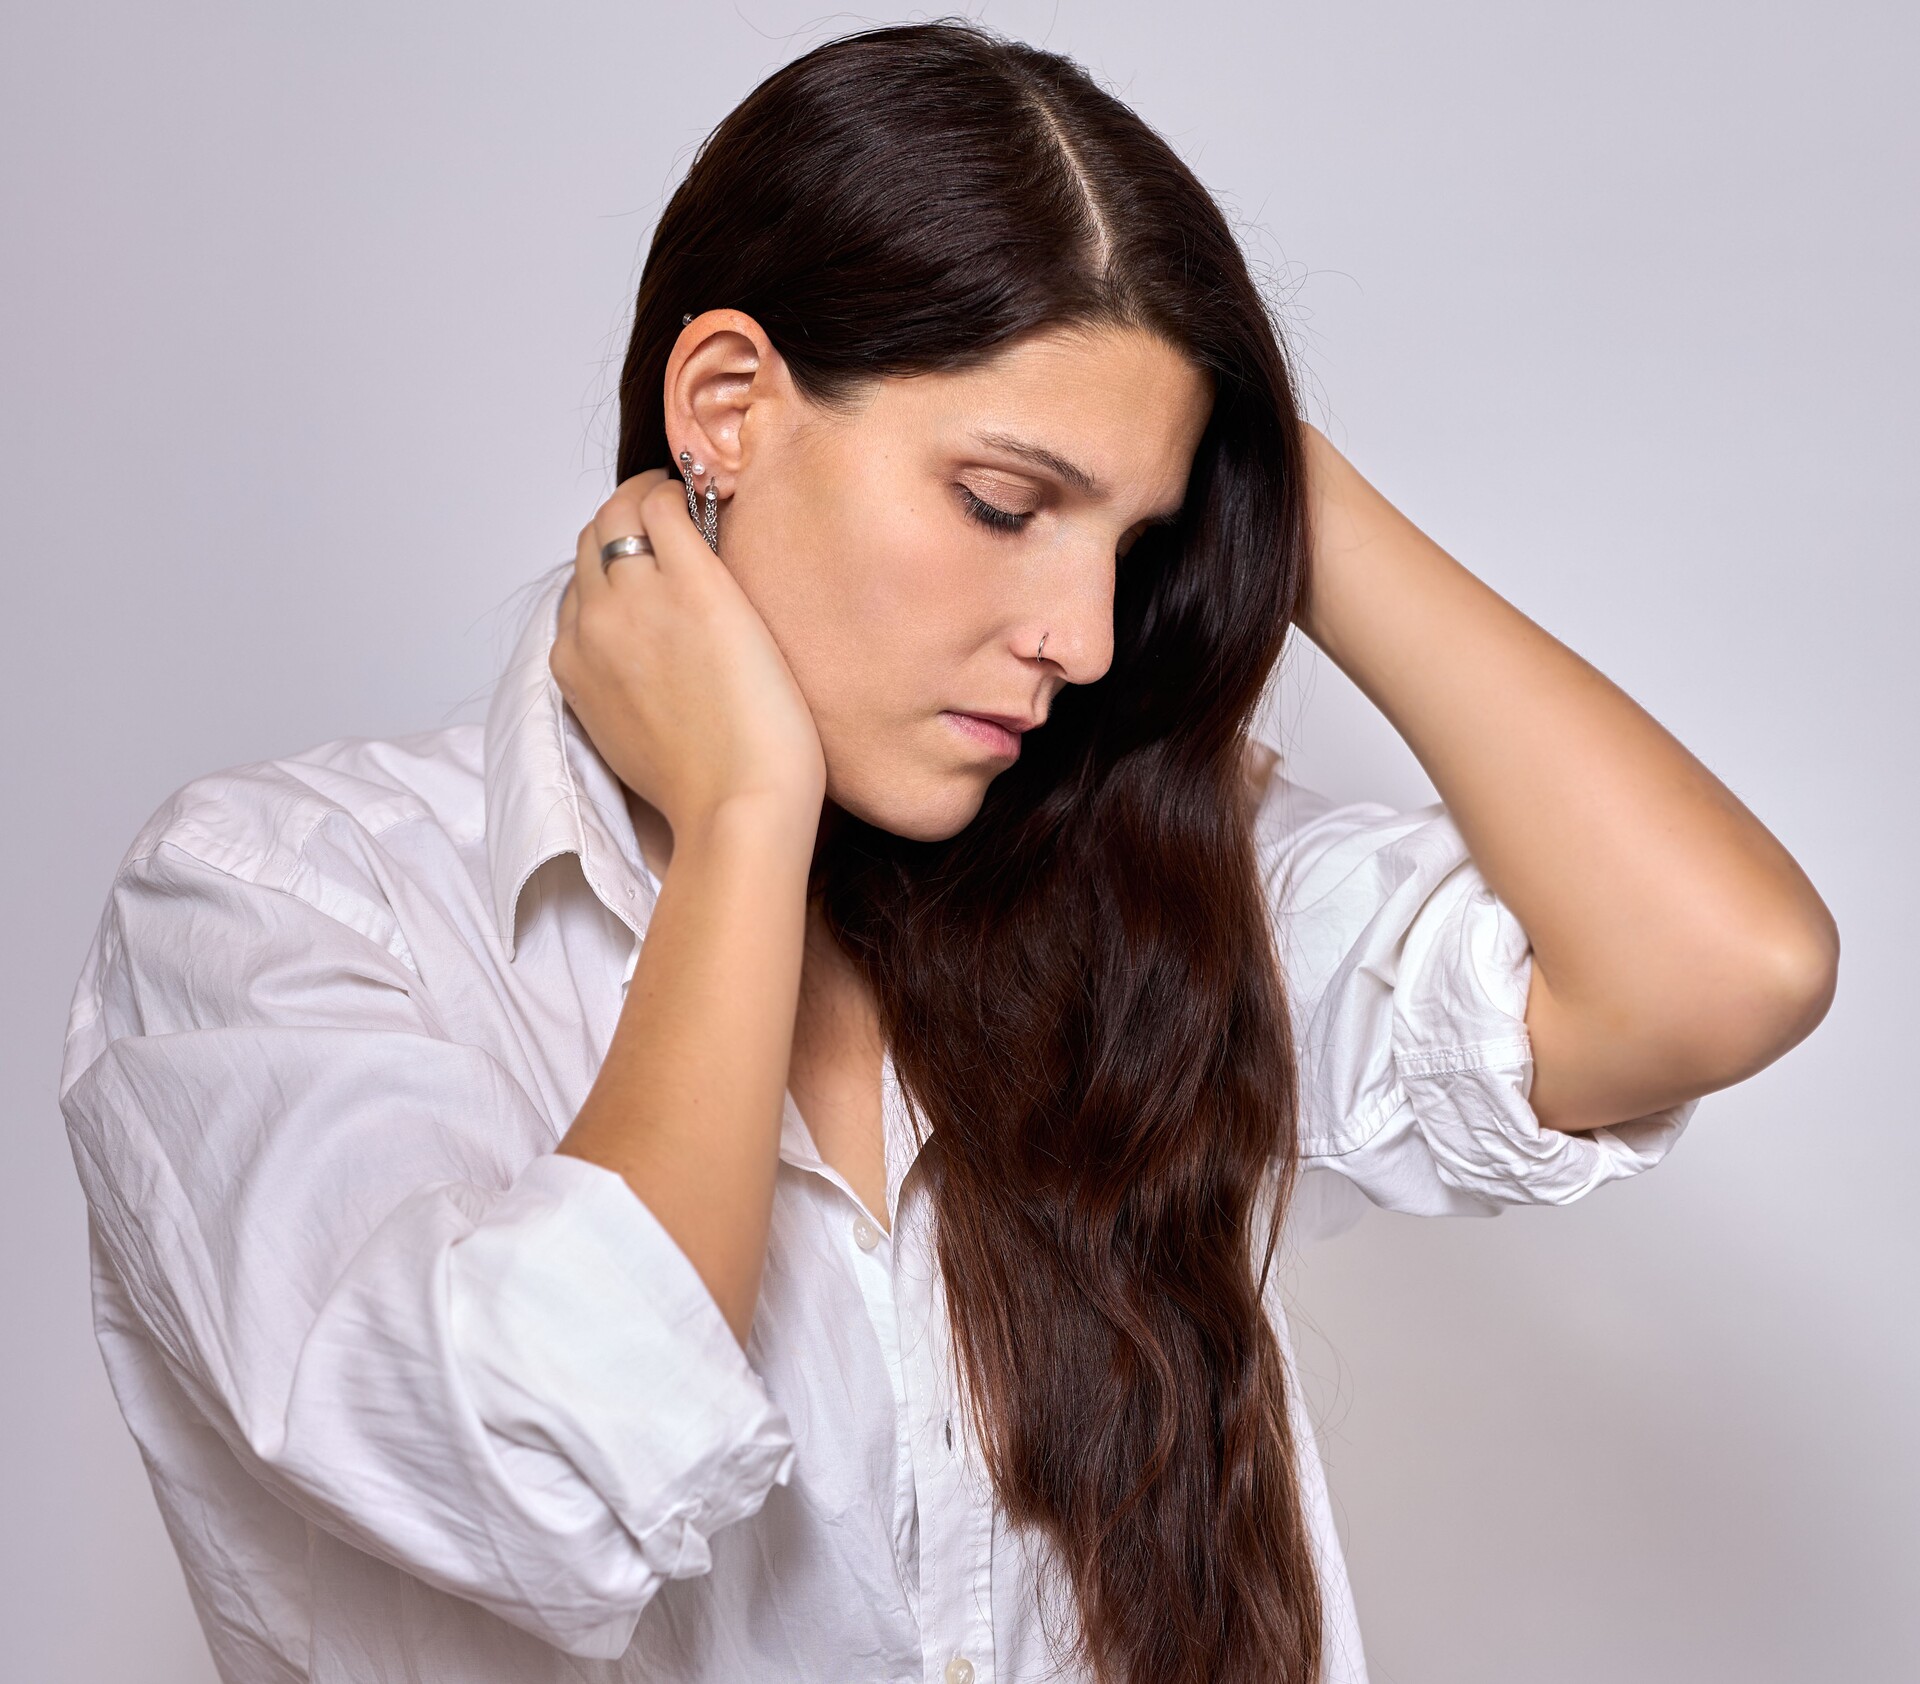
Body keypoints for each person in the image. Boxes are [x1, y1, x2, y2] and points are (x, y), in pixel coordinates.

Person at [57, 21, 1837, 1684]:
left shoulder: (1136, 891)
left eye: (1129, 544)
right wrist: (743, 821)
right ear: (724, 407)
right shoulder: (279, 911)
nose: (1085, 635)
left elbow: (1719, 973)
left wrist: (1267, 482)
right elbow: (551, 1467)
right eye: (1004, 503)